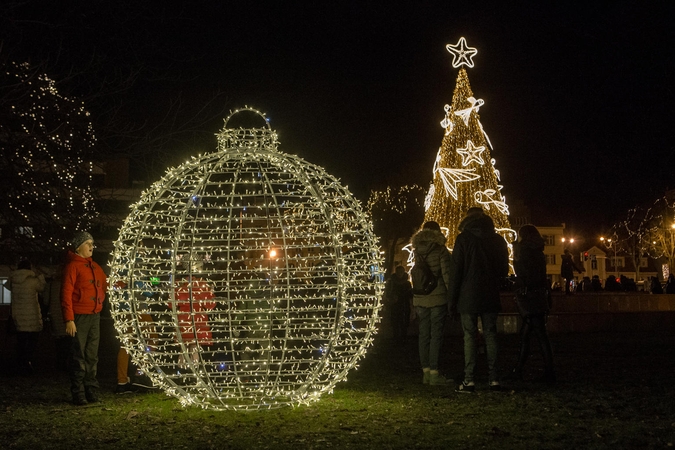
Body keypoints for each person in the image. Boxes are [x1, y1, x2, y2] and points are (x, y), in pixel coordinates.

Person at [449, 207, 509, 393]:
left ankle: (469, 380)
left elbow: (456, 271)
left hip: (468, 295)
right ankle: (494, 379)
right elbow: (503, 270)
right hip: (490, 293)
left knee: (469, 336)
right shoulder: (497, 240)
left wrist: (452, 300)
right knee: (490, 334)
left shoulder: (463, 239)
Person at [61, 231, 107, 406]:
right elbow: (65, 293)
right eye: (88, 243)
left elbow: (104, 285)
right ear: (78, 246)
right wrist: (69, 319)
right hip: (79, 317)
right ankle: (78, 392)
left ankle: (91, 390)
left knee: (91, 355)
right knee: (78, 355)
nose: (91, 246)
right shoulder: (73, 266)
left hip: (94, 315)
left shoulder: (95, 267)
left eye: (92, 243)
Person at [508, 224, 555, 383]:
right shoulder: (539, 252)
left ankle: (548, 371)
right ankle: (519, 369)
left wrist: (516, 281)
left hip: (530, 297)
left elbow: (524, 273)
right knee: (528, 334)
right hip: (539, 295)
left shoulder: (524, 252)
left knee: (537, 335)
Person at [410, 221, 453, 386]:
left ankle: (425, 373)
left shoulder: (417, 250)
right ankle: (435, 373)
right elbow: (447, 274)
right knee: (436, 335)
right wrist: (451, 295)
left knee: (423, 335)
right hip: (437, 296)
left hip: (420, 297)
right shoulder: (441, 250)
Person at [172, 255, 216, 368]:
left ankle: (182, 372)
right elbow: (210, 305)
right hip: (198, 321)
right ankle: (195, 371)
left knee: (183, 349)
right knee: (194, 348)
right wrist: (211, 293)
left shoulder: (179, 284)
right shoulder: (202, 284)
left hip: (183, 320)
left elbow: (171, 303)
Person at [5, 260, 46, 374]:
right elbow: (42, 288)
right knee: (32, 340)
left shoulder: (13, 280)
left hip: (18, 315)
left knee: (21, 340)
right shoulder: (33, 281)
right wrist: (40, 276)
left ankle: (20, 362)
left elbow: (7, 287)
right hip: (32, 315)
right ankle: (27, 361)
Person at [383, 265, 413, 343]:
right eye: (398, 272)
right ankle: (396, 338)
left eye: (401, 272)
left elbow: (410, 295)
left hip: (404, 305)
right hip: (395, 305)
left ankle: (403, 338)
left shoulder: (407, 283)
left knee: (404, 322)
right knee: (395, 322)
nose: (400, 274)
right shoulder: (392, 283)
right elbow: (388, 294)